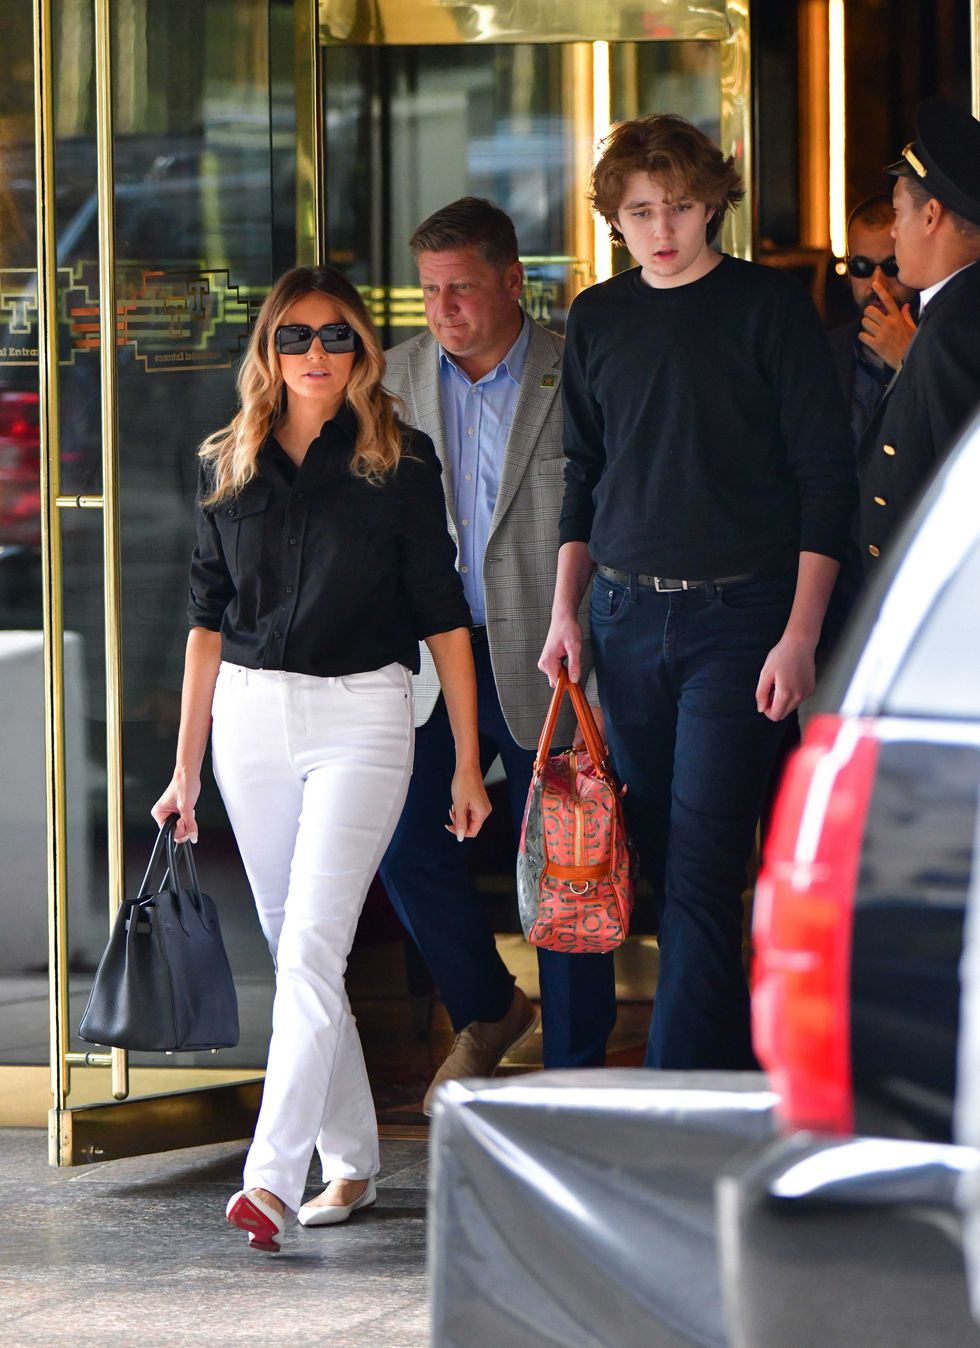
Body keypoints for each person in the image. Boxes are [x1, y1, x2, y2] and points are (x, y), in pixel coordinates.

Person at [152, 265, 489, 1252]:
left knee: (309, 949)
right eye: (294, 336)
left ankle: (268, 1176)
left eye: (335, 335)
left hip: (363, 718)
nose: (315, 353)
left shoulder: (400, 460)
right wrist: (184, 768)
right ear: (269, 349)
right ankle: (351, 1158)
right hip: (251, 721)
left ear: (361, 350)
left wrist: (467, 760)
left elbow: (443, 616)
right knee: (297, 948)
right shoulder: (227, 460)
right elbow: (204, 622)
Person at [539, 114, 855, 1071]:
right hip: (624, 616)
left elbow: (824, 477)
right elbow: (584, 474)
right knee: (666, 863)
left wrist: (800, 634)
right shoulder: (598, 317)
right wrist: (565, 611)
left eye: (678, 206)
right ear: (615, 219)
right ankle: (723, 1074)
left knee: (707, 867)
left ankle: (671, 1096)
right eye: (641, 211)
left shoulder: (769, 307)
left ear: (714, 202)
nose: (662, 228)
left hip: (741, 619)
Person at [379, 198, 618, 1113]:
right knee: (403, 837)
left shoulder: (575, 368)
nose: (444, 309)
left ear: (514, 281)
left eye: (463, 288)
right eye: (430, 290)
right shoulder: (389, 378)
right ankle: (488, 1008)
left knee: (567, 855)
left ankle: (575, 1075)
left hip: (552, 653)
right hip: (431, 658)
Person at [859, 97, 980, 571]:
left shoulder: (953, 330)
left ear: (931, 215)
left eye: (897, 213)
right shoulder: (953, 313)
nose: (893, 233)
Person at [829, 194, 918, 449]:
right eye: (861, 267)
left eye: (892, 266)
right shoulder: (823, 352)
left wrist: (910, 359)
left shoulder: (945, 344)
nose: (877, 283)